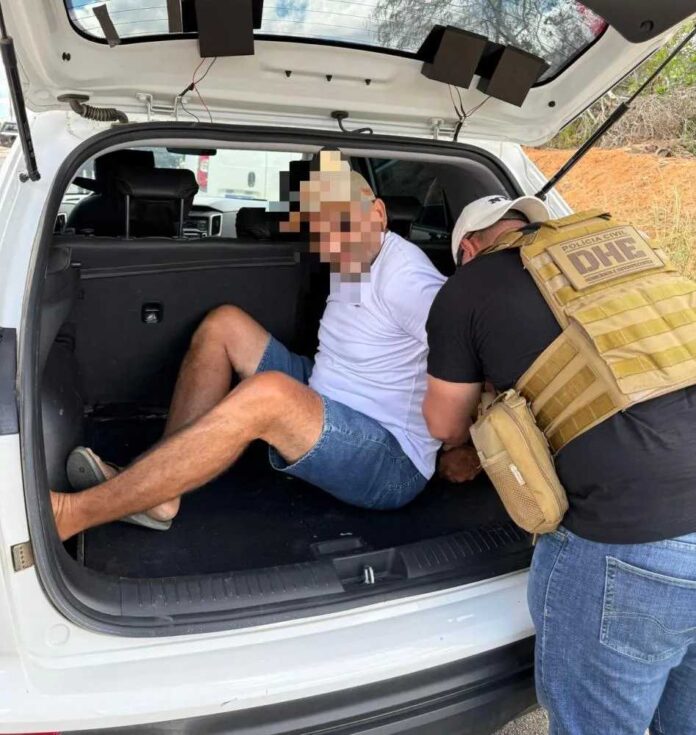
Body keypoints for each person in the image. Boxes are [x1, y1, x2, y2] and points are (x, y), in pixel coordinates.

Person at [51, 151, 446, 541]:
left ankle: (75, 513)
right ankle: (160, 493)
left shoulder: (407, 279)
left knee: (268, 394)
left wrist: (462, 449)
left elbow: (466, 348)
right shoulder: (359, 254)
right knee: (224, 325)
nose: (332, 242)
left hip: (389, 458)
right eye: (321, 229)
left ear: (378, 213)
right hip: (331, 391)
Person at [423, 194, 696, 735]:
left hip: (632, 542)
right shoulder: (627, 247)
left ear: (468, 249)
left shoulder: (467, 286)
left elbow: (444, 425)